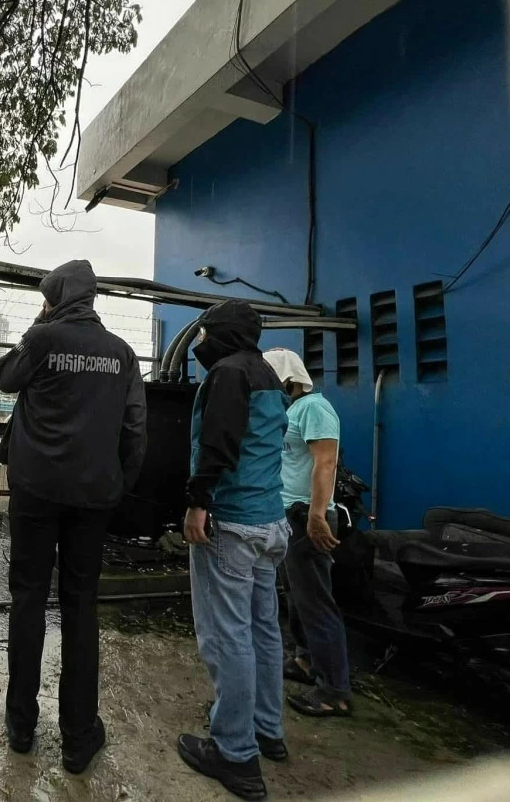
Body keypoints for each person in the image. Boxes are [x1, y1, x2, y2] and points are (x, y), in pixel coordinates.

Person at [0, 260, 147, 774]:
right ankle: (80, 739)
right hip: (93, 497)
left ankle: (21, 724)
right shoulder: (122, 353)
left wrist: (39, 326)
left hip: (35, 491)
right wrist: (117, 484)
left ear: (54, 296)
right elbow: (135, 430)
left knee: (29, 599)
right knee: (82, 608)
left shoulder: (43, 338)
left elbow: (3, 378)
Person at [176, 301, 290, 802]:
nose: (199, 343)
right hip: (270, 523)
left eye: (204, 333)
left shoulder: (226, 374)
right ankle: (266, 728)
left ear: (220, 334)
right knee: (264, 630)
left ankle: (236, 754)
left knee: (227, 637)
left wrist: (198, 502)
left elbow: (219, 444)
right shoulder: (266, 373)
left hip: (233, 523)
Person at [262, 348, 353, 718]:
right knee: (295, 596)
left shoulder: (315, 408)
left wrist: (317, 514)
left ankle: (335, 690)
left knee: (316, 603)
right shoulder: (291, 411)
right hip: (290, 516)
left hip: (307, 518)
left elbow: (326, 461)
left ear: (287, 379)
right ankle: (304, 660)